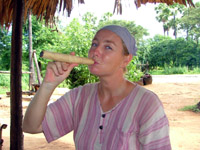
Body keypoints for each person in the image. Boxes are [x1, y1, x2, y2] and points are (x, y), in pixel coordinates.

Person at [23, 25, 171, 149]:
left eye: (108, 47)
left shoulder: (147, 104)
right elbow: (31, 126)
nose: (95, 52)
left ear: (126, 60)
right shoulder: (80, 96)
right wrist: (48, 85)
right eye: (94, 44)